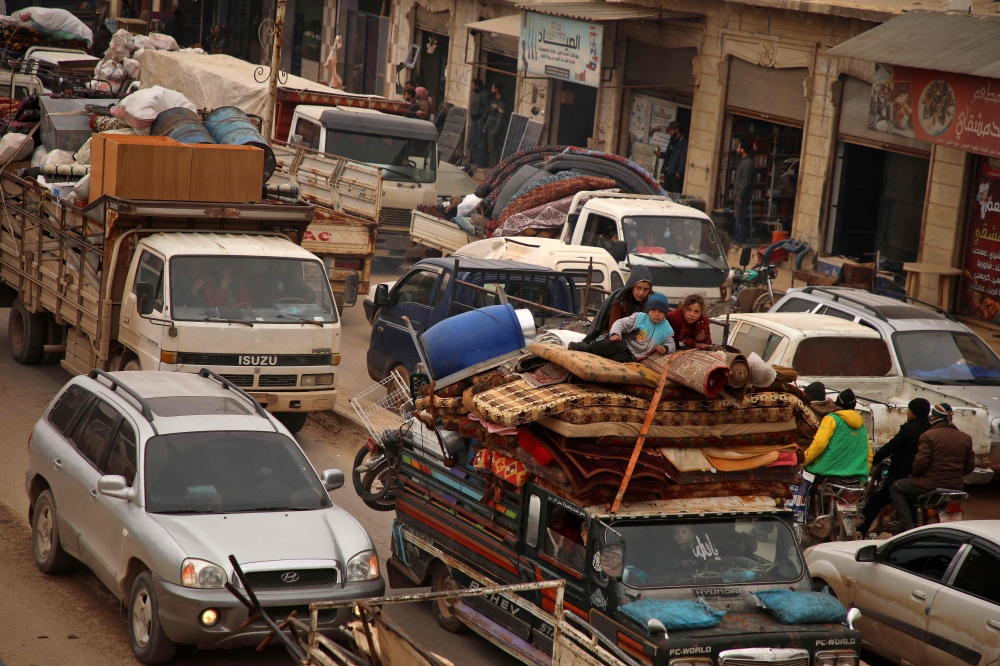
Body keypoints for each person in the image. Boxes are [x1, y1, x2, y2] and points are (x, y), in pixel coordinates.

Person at [889, 403, 975, 532]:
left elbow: (920, 463)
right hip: (955, 486)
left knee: (895, 487)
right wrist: (954, 475)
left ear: (935, 418)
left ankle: (908, 527)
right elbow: (970, 465)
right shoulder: (965, 438)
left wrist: (915, 474)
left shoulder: (928, 436)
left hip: (930, 484)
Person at [859, 398, 932, 535]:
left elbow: (890, 447)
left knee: (875, 503)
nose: (907, 413)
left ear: (914, 412)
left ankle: (860, 533)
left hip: (904, 475)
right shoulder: (931, 429)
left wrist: (873, 460)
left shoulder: (909, 430)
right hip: (926, 477)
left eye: (909, 410)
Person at [569, 293, 675, 363]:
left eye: (660, 311)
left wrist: (665, 348)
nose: (657, 314)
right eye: (653, 310)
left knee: (615, 360)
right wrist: (615, 333)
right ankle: (585, 348)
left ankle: (592, 363)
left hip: (634, 356)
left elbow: (671, 343)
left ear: (665, 313)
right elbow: (620, 323)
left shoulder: (667, 329)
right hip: (624, 343)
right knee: (609, 346)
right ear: (648, 310)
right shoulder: (640, 317)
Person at [802, 388, 873, 480]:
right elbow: (868, 451)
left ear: (837, 404)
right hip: (854, 475)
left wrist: (802, 461)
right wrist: (865, 472)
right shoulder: (861, 423)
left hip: (827, 472)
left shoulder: (831, 419)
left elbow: (819, 444)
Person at [579, 266, 653, 343]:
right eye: (638, 288)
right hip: (615, 336)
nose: (641, 293)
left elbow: (648, 327)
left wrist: (638, 342)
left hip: (638, 340)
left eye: (646, 289)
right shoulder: (620, 301)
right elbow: (613, 327)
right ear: (632, 286)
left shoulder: (650, 304)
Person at [733, 139, 755, 246]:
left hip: (742, 196)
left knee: (741, 217)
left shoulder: (748, 163)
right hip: (739, 194)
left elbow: (746, 181)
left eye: (738, 147)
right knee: (738, 217)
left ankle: (740, 240)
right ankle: (737, 238)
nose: (736, 149)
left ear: (743, 150)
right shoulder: (743, 161)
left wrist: (740, 195)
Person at [468, 78, 491, 168]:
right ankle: (473, 160)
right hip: (474, 120)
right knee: (472, 141)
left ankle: (480, 161)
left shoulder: (484, 94)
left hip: (480, 121)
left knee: (480, 141)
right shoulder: (476, 94)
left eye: (473, 85)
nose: (472, 87)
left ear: (477, 85)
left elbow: (487, 108)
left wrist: (482, 118)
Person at [659, 121, 688, 194]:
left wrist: (679, 172)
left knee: (674, 194)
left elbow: (684, 159)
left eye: (671, 130)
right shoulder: (671, 141)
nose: (670, 132)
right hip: (667, 172)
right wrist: (660, 155)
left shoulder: (683, 143)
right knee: (665, 193)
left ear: (676, 130)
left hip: (675, 174)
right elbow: (669, 154)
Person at [485, 82, 509, 167]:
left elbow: (500, 119)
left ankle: (493, 168)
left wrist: (495, 131)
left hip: (495, 129)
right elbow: (490, 114)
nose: (491, 90)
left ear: (496, 89)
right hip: (490, 127)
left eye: (493, 88)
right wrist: (486, 124)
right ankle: (490, 166)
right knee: (490, 149)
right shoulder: (493, 99)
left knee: (494, 150)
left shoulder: (502, 103)